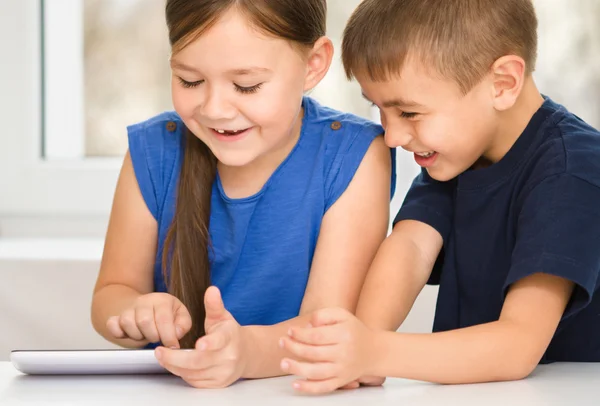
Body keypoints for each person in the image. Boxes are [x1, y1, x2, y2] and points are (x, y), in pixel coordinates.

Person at [279, 0, 600, 394]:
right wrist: (357, 342)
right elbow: (411, 247)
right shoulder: (458, 154)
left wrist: (374, 351)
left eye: (409, 113)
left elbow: (518, 346)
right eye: (378, 108)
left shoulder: (571, 169)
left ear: (502, 83)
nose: (392, 137)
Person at [90, 0, 395, 389]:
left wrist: (245, 352)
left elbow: (327, 325)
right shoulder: (153, 152)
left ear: (314, 64)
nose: (215, 109)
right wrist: (133, 313)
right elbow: (109, 297)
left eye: (246, 85)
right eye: (189, 80)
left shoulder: (354, 155)